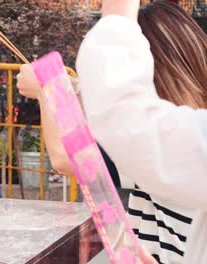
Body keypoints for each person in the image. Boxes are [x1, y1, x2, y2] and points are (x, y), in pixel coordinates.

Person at [17, 0, 206, 263]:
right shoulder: (190, 124)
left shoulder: (166, 141)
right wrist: (74, 89)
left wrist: (46, 90)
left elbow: (66, 158)